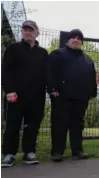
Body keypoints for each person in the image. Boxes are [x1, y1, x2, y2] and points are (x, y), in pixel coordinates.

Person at [1, 20, 48, 168]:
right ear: (22, 32)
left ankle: (29, 152)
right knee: (12, 125)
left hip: (36, 96)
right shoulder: (13, 48)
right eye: (25, 30)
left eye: (31, 30)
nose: (28, 32)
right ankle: (9, 154)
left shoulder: (43, 53)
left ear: (36, 33)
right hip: (15, 95)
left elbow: (46, 74)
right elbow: (5, 71)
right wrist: (8, 90)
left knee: (32, 126)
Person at [47, 29, 97, 162]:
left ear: (81, 42)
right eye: (73, 38)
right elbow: (49, 73)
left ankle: (77, 149)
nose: (76, 40)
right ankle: (57, 151)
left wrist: (92, 92)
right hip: (61, 96)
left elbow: (92, 76)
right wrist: (52, 89)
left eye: (79, 38)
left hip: (81, 97)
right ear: (68, 40)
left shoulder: (87, 59)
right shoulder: (57, 54)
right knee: (59, 124)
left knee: (77, 125)